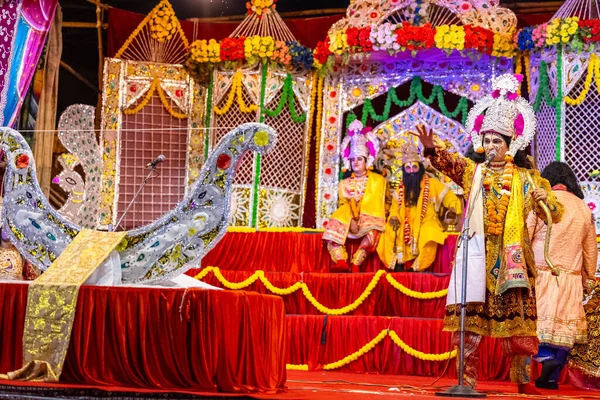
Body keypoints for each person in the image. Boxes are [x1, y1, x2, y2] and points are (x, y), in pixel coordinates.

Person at [412, 73, 563, 394]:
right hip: (476, 260)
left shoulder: (527, 177)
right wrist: (431, 149)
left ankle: (523, 384)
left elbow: (555, 213)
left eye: (498, 141)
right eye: (488, 140)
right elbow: (449, 163)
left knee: (520, 329)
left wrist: (544, 199)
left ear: (511, 145)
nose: (491, 146)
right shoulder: (473, 171)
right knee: (468, 330)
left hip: (513, 263)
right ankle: (465, 383)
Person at [527, 161, 598, 389]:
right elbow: (590, 248)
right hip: (571, 277)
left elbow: (525, 235)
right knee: (565, 329)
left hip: (542, 273)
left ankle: (545, 360)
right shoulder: (583, 208)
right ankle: (550, 378)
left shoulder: (541, 200)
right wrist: (588, 276)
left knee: (538, 326)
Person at [377, 141, 462, 271]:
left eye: (414, 167)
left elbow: (449, 197)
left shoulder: (432, 184)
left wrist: (452, 208)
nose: (411, 171)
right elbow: (394, 209)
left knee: (430, 233)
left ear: (420, 168)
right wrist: (394, 217)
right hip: (404, 222)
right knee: (387, 231)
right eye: (408, 168)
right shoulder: (400, 191)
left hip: (427, 221)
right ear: (404, 171)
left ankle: (417, 267)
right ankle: (396, 264)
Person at [323, 120, 386, 273]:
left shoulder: (378, 181)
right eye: (353, 160)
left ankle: (357, 262)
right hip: (349, 217)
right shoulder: (344, 183)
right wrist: (351, 220)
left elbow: (380, 203)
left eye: (359, 159)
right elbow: (344, 203)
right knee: (331, 229)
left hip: (369, 217)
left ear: (367, 161)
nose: (356, 162)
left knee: (374, 232)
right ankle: (341, 261)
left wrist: (362, 217)